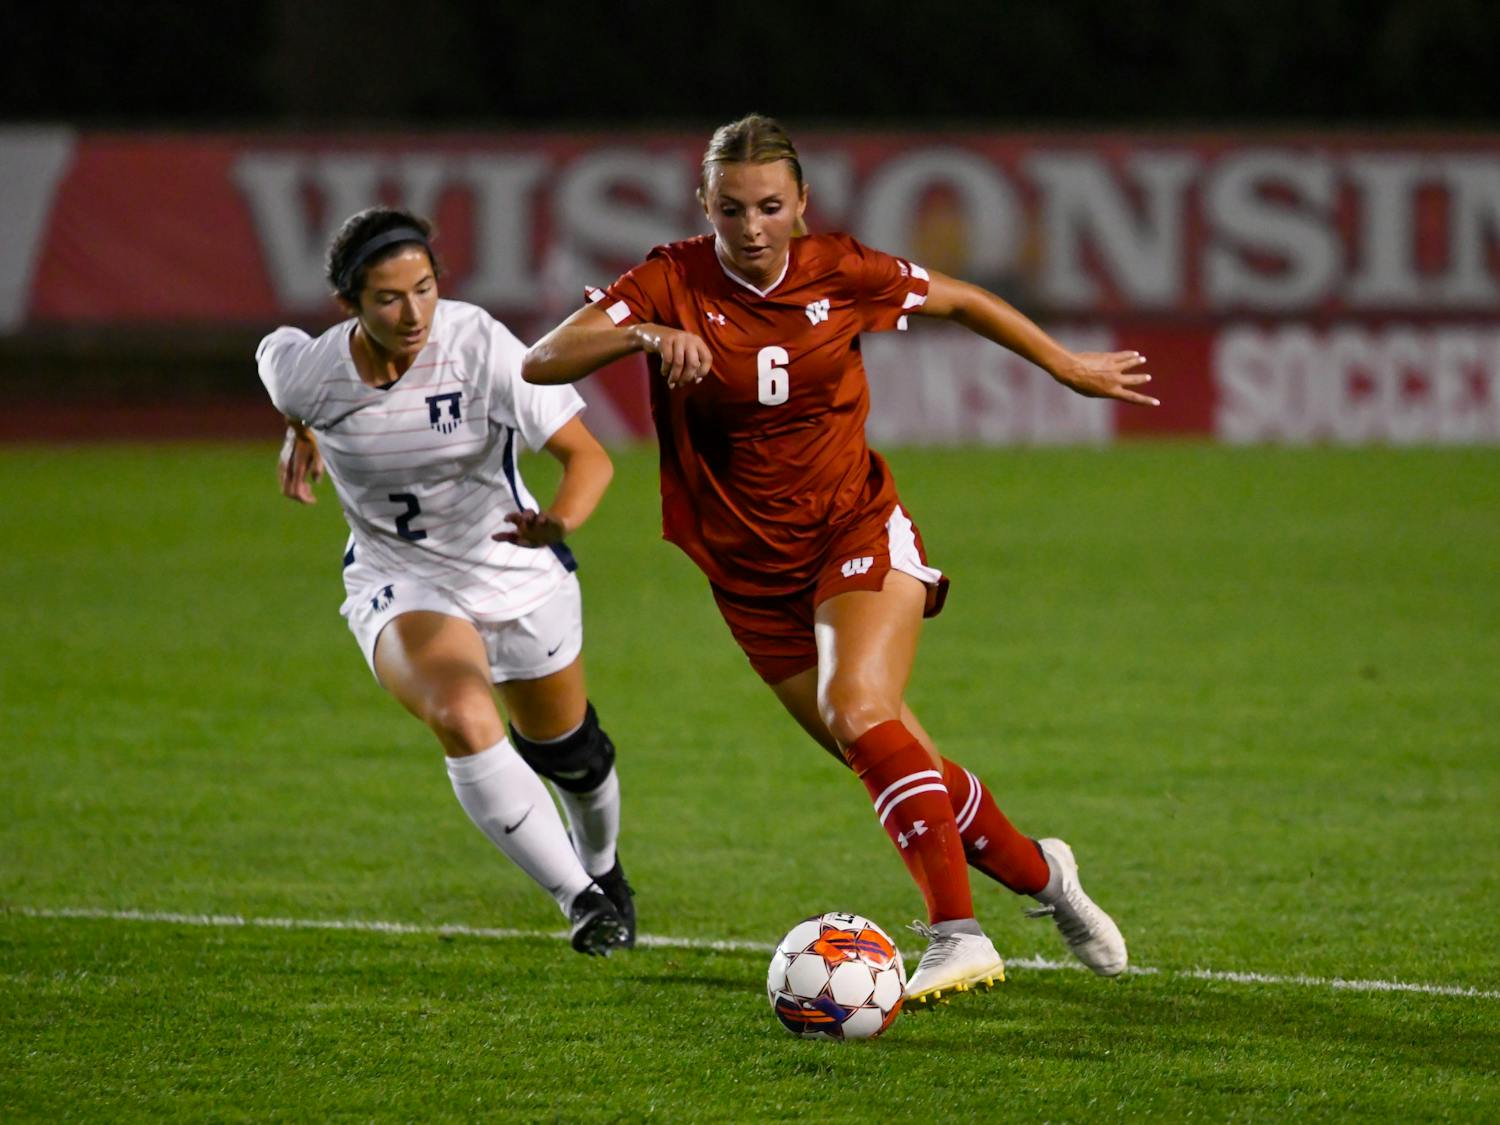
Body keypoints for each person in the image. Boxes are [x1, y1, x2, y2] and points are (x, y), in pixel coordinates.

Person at [523, 115, 1155, 1005]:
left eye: (770, 206)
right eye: (732, 208)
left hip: (854, 529)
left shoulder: (839, 268)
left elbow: (963, 298)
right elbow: (543, 358)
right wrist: (642, 336)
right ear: (704, 203)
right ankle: (1050, 879)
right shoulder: (669, 279)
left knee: (857, 706)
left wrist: (1064, 364)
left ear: (801, 204)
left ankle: (957, 934)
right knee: (897, 757)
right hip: (747, 572)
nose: (750, 228)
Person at [256, 207, 634, 956]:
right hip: (402, 580)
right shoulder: (312, 376)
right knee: (462, 714)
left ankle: (604, 871)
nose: (413, 312)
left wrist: (558, 519)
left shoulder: (477, 343)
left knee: (572, 755)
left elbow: (589, 458)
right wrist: (300, 425)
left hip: (515, 568)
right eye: (389, 298)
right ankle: (582, 901)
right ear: (351, 305)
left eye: (425, 288)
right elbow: (276, 352)